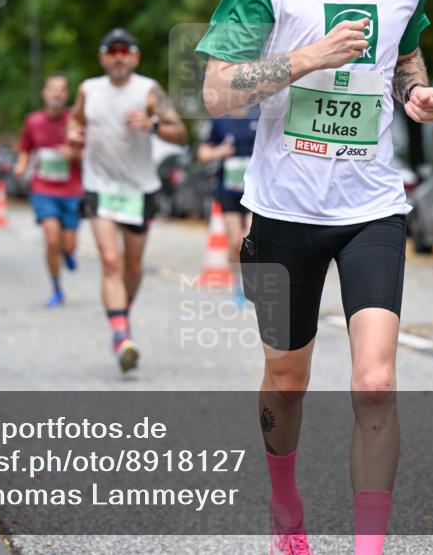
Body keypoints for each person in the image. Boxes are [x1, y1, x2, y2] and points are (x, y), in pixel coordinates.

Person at [197, 0, 433, 553]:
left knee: (376, 382)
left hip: (372, 207)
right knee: (287, 380)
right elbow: (218, 90)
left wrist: (415, 93)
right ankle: (285, 503)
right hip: (283, 210)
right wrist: (309, 56)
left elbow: (403, 58)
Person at [67, 28, 188, 373]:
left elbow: (180, 133)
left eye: (125, 51)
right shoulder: (88, 89)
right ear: (102, 57)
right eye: (112, 51)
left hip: (139, 189)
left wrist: (152, 124)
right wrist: (74, 134)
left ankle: (121, 314)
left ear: (135, 57)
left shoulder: (148, 90)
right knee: (110, 261)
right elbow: (75, 120)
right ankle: (121, 335)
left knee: (133, 268)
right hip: (100, 186)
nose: (118, 57)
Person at [14, 73, 83, 308]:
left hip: (71, 190)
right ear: (44, 93)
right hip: (43, 189)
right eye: (53, 88)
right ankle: (56, 288)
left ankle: (69, 253)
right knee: (52, 239)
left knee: (68, 244)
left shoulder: (75, 121)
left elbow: (90, 153)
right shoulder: (33, 121)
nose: (57, 93)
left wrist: (73, 154)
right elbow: (26, 149)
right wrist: (21, 165)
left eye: (61, 89)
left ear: (67, 94)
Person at [196, 107, 259, 305]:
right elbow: (202, 153)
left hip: (253, 192)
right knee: (235, 243)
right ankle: (238, 285)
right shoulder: (220, 121)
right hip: (228, 191)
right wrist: (220, 151)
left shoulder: (259, 115)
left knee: (250, 238)